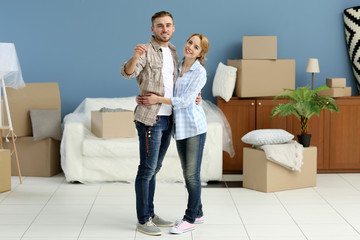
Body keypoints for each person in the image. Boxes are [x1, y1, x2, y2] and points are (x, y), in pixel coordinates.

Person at [140, 33, 210, 234]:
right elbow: (174, 91)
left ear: (200, 53)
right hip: (179, 128)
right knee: (188, 174)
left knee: (191, 175)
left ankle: (189, 219)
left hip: (194, 128)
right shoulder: (178, 66)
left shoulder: (199, 72)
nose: (190, 48)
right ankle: (199, 213)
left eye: (196, 47)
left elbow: (186, 101)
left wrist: (158, 100)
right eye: (190, 43)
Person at [120, 11, 178, 236]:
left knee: (155, 169)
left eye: (168, 25)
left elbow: (175, 83)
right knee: (146, 169)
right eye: (160, 26)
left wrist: (195, 96)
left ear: (173, 28)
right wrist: (134, 57)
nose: (164, 29)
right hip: (150, 119)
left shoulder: (173, 51)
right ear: (152, 29)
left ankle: (150, 213)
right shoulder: (145, 50)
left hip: (168, 117)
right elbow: (127, 73)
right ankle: (143, 220)